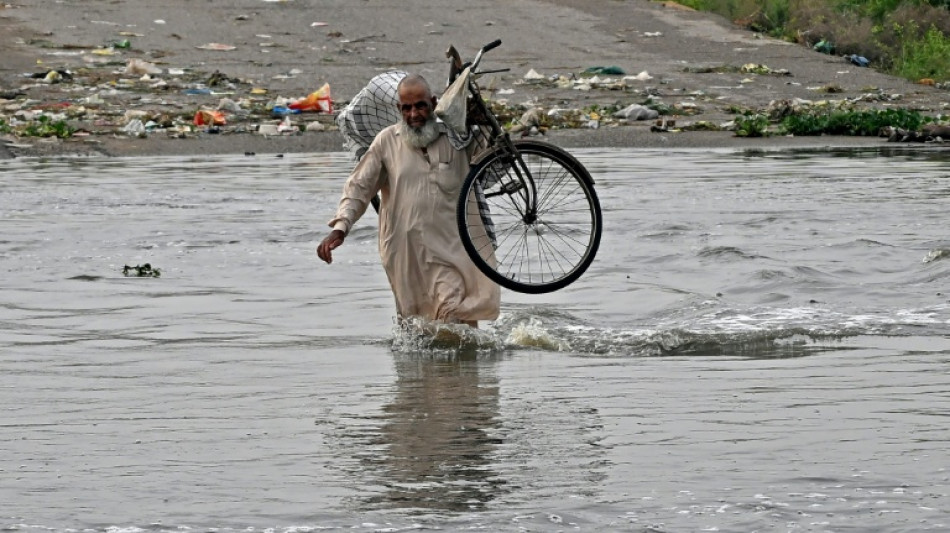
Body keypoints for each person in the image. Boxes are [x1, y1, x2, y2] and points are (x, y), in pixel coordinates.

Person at [317, 73, 500, 327]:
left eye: (420, 106)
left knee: (454, 317)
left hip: (451, 251)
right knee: (417, 330)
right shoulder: (386, 142)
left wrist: (485, 124)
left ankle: (465, 366)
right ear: (398, 109)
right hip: (405, 255)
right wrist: (341, 227)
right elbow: (359, 186)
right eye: (407, 108)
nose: (414, 115)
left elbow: (493, 161)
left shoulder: (458, 139)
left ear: (433, 103)